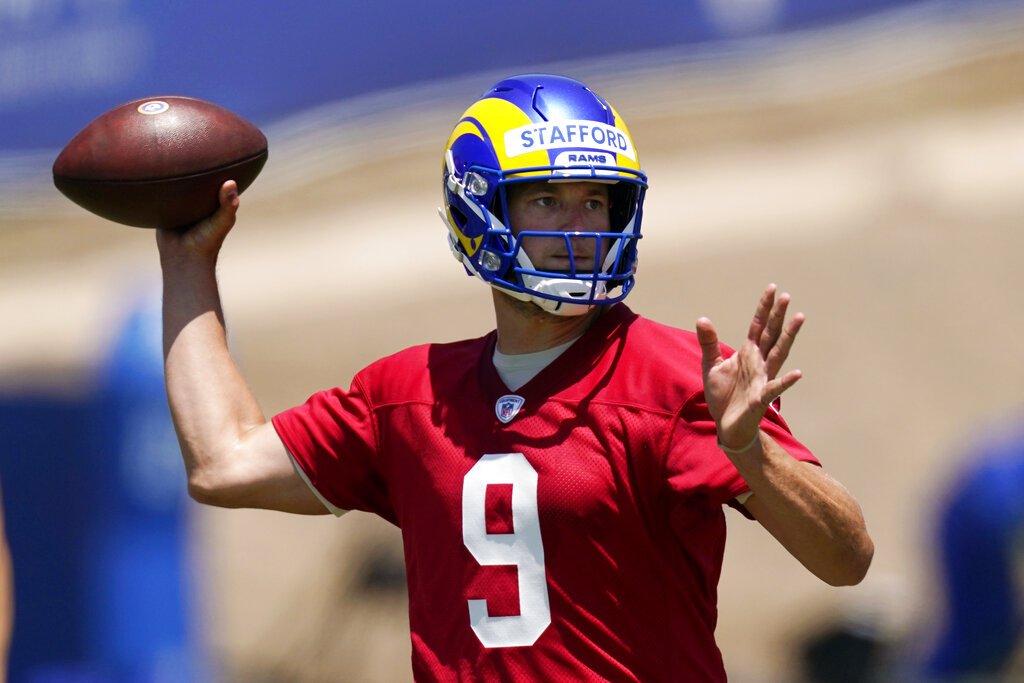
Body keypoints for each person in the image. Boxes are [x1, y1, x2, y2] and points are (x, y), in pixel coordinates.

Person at [158, 74, 873, 681]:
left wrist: (752, 451)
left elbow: (847, 560)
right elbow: (224, 461)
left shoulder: (679, 375)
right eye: (547, 200)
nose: (581, 226)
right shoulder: (408, 394)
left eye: (596, 201)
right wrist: (189, 263)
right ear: (482, 209)